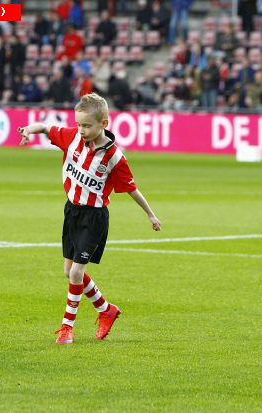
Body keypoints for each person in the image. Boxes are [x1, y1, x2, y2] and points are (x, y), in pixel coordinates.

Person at [17, 93, 161, 345]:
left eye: (86, 125)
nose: (81, 130)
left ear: (103, 124)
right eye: (79, 124)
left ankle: (66, 328)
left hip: (94, 218)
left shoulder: (114, 157)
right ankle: (106, 310)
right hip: (71, 212)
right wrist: (28, 130)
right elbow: (44, 127)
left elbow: (131, 188)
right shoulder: (72, 137)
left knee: (76, 272)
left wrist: (150, 214)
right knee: (68, 271)